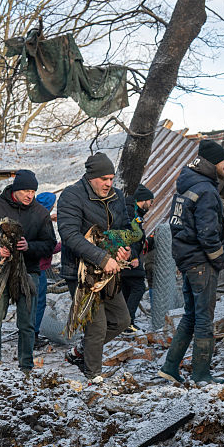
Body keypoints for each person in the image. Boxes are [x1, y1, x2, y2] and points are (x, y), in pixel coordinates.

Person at [158, 138, 224, 386]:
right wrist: (219, 259)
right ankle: (201, 374)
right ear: (213, 164)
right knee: (203, 319)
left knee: (190, 315)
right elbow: (207, 233)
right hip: (201, 262)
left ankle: (169, 367)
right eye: (223, 161)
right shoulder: (207, 190)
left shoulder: (186, 186)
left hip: (188, 261)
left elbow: (176, 226)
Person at [0, 169, 57, 372]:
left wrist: (30, 247)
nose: (30, 195)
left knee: (27, 323)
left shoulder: (40, 213)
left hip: (29, 271)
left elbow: (49, 243)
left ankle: (26, 366)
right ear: (15, 189)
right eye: (26, 190)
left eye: (33, 191)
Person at [57, 152, 131, 382]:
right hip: (81, 272)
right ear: (91, 177)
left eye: (111, 179)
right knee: (96, 325)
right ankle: (93, 377)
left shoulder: (117, 197)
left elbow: (127, 229)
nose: (109, 184)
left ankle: (81, 351)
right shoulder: (72, 196)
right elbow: (69, 234)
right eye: (104, 179)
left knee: (121, 321)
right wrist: (101, 258)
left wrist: (126, 249)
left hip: (109, 272)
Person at [122, 184, 155, 333]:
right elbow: (129, 235)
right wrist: (134, 255)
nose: (151, 205)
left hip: (126, 256)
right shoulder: (132, 212)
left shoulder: (132, 211)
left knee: (127, 288)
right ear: (144, 200)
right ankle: (127, 322)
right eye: (150, 201)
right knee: (138, 287)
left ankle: (125, 322)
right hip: (130, 257)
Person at [33, 191, 61, 344]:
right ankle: (34, 335)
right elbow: (49, 247)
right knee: (39, 302)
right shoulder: (43, 223)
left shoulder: (33, 216)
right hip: (39, 268)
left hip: (30, 266)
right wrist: (64, 245)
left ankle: (28, 333)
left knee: (30, 302)